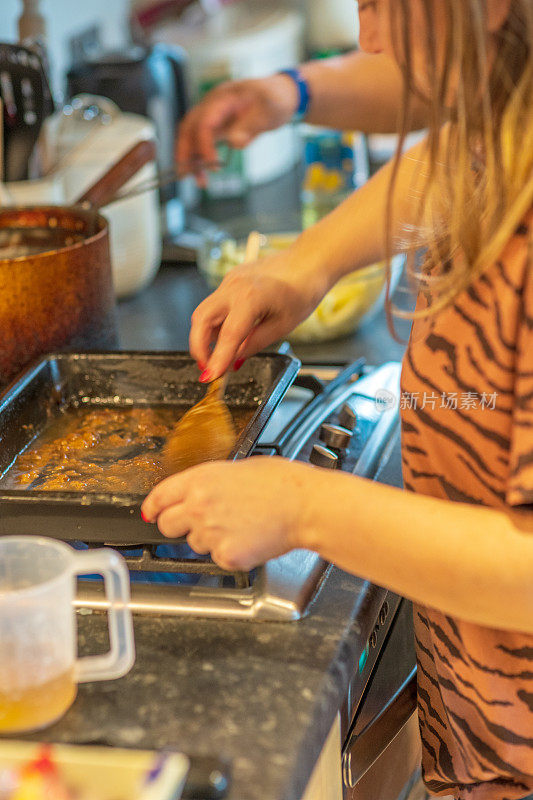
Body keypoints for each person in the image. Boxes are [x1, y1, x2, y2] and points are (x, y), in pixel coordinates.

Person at [142, 2, 533, 798]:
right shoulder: (513, 119)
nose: (369, 39)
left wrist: (301, 508)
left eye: (388, 5)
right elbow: (466, 158)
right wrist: (302, 266)